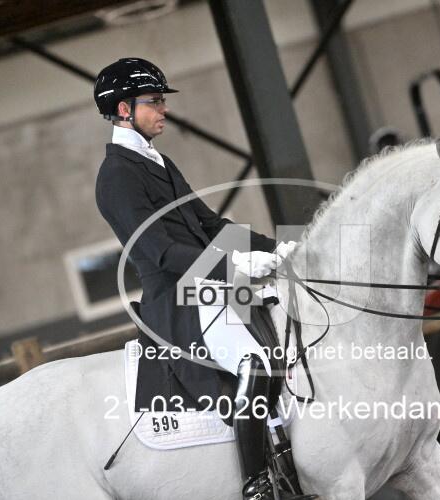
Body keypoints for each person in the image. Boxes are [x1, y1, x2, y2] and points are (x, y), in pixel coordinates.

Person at [93, 58, 305, 500]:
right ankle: (257, 483)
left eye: (162, 101)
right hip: (177, 300)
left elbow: (210, 226)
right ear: (124, 109)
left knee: (289, 335)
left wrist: (279, 250)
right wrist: (236, 266)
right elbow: (161, 251)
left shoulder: (159, 162)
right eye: (154, 101)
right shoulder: (116, 176)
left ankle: (292, 454)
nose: (164, 109)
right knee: (256, 363)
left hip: (210, 286)